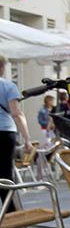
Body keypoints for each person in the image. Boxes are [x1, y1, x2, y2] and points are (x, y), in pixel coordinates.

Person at [0, 55, 33, 183]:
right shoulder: (8, 86)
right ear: (2, 67)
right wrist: (27, 140)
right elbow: (17, 114)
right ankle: (9, 203)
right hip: (4, 132)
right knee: (5, 173)